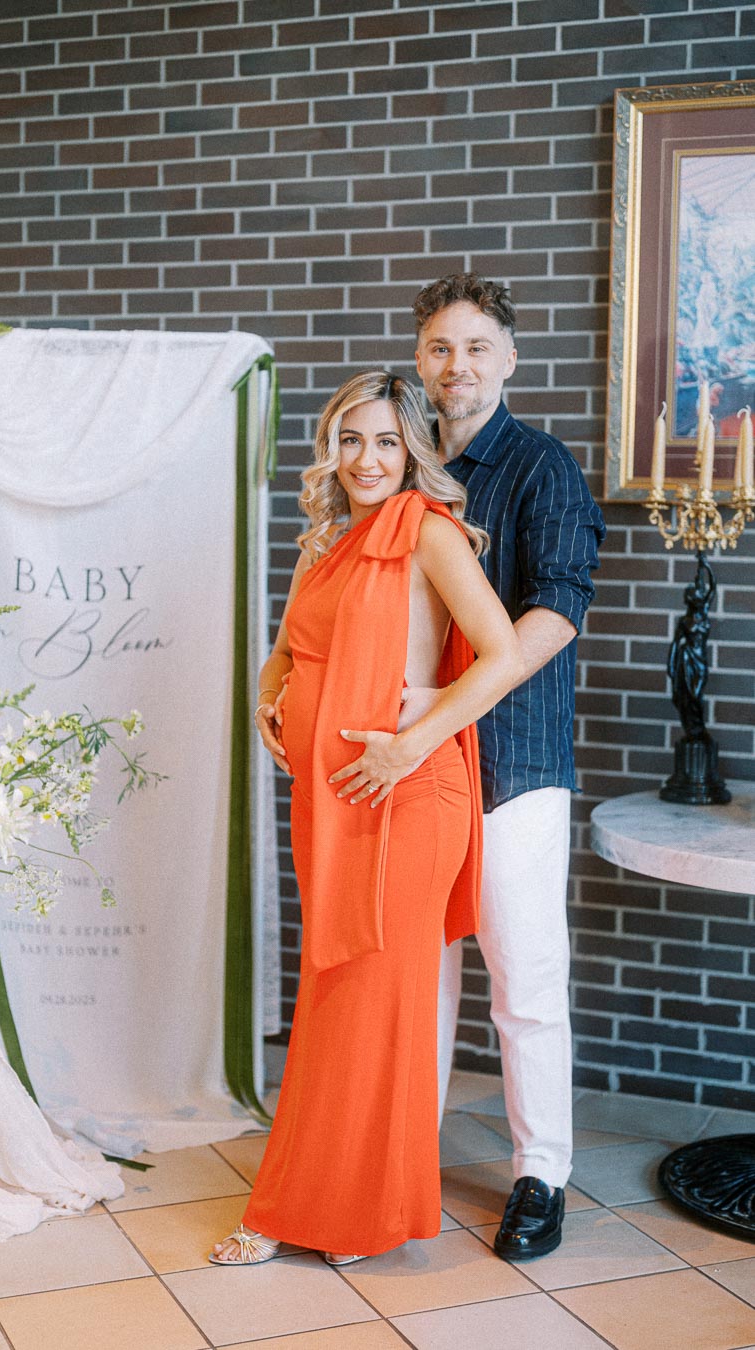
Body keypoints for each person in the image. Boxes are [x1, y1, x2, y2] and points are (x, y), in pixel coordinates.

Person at [210, 370, 521, 1265]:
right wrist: (275, 697)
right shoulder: (324, 544)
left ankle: (325, 1210)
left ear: (414, 449)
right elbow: (284, 650)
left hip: (409, 798)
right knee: (338, 996)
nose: (366, 458)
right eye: (351, 439)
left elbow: (500, 655)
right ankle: (337, 1201)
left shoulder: (430, 535)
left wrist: (410, 743)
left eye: (386, 441)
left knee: (373, 1003)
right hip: (335, 798)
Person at [406, 273, 606, 1260]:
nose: (459, 367)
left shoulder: (541, 468)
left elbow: (556, 613)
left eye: (477, 348)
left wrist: (451, 709)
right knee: (418, 979)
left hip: (511, 765)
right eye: (442, 348)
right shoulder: (399, 467)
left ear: (510, 360)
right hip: (409, 769)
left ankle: (542, 1176)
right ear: (419, 359)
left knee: (524, 985)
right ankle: (404, 1153)